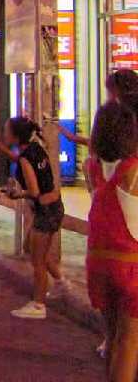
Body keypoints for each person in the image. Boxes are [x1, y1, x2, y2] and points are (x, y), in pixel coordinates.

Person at [0, 118, 67, 319]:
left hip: (45, 210)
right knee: (33, 248)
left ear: (15, 136)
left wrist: (15, 195)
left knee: (37, 260)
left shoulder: (24, 158)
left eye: (6, 131)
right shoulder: (34, 148)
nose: (4, 134)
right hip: (54, 207)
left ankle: (38, 305)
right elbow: (17, 158)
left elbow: (34, 191)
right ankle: (61, 282)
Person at [86, 100, 138, 380]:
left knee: (113, 338)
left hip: (98, 260)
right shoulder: (133, 171)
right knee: (129, 342)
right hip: (131, 264)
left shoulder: (91, 167)